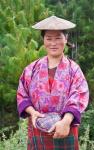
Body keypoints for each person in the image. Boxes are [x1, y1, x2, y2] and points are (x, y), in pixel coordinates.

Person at [17, 16, 89, 150]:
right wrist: (32, 112)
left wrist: (66, 122)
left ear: (66, 39)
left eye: (58, 38)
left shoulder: (74, 70)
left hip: (65, 130)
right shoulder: (31, 69)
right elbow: (22, 95)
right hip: (38, 130)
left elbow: (79, 97)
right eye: (49, 38)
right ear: (43, 41)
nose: (53, 43)